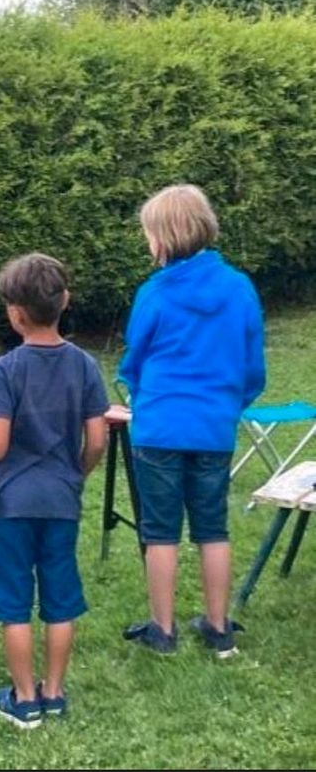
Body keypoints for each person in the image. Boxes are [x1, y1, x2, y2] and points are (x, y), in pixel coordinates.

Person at [118, 184, 265, 659]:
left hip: (159, 425)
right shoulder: (238, 287)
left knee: (160, 530)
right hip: (214, 426)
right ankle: (218, 627)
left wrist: (143, 397)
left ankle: (163, 630)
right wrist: (227, 405)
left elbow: (134, 359)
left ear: (162, 238)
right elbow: (252, 366)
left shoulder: (154, 293)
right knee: (212, 526)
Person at [0, 253, 109, 729]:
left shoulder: (4, 370)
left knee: (14, 603)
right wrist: (77, 474)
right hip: (60, 501)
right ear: (64, 300)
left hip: (10, 503)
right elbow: (96, 440)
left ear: (14, 313)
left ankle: (24, 700)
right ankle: (54, 692)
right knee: (59, 598)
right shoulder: (85, 365)